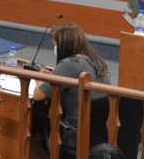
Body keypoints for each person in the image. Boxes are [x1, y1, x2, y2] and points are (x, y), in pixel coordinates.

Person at [33, 22, 109, 151]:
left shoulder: (69, 63)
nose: (55, 49)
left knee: (35, 123)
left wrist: (40, 80)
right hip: (101, 133)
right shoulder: (94, 60)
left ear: (64, 45)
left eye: (55, 45)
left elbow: (38, 95)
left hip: (76, 135)